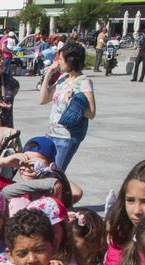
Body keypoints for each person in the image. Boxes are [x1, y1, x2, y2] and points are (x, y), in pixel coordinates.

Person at [38, 42, 96, 171]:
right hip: (51, 133)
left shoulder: (83, 82)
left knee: (56, 174)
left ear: (70, 61)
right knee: (44, 172)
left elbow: (91, 113)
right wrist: (48, 75)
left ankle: (64, 192)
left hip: (66, 136)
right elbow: (43, 100)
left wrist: (71, 100)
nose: (58, 61)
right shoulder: (63, 78)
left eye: (60, 58)